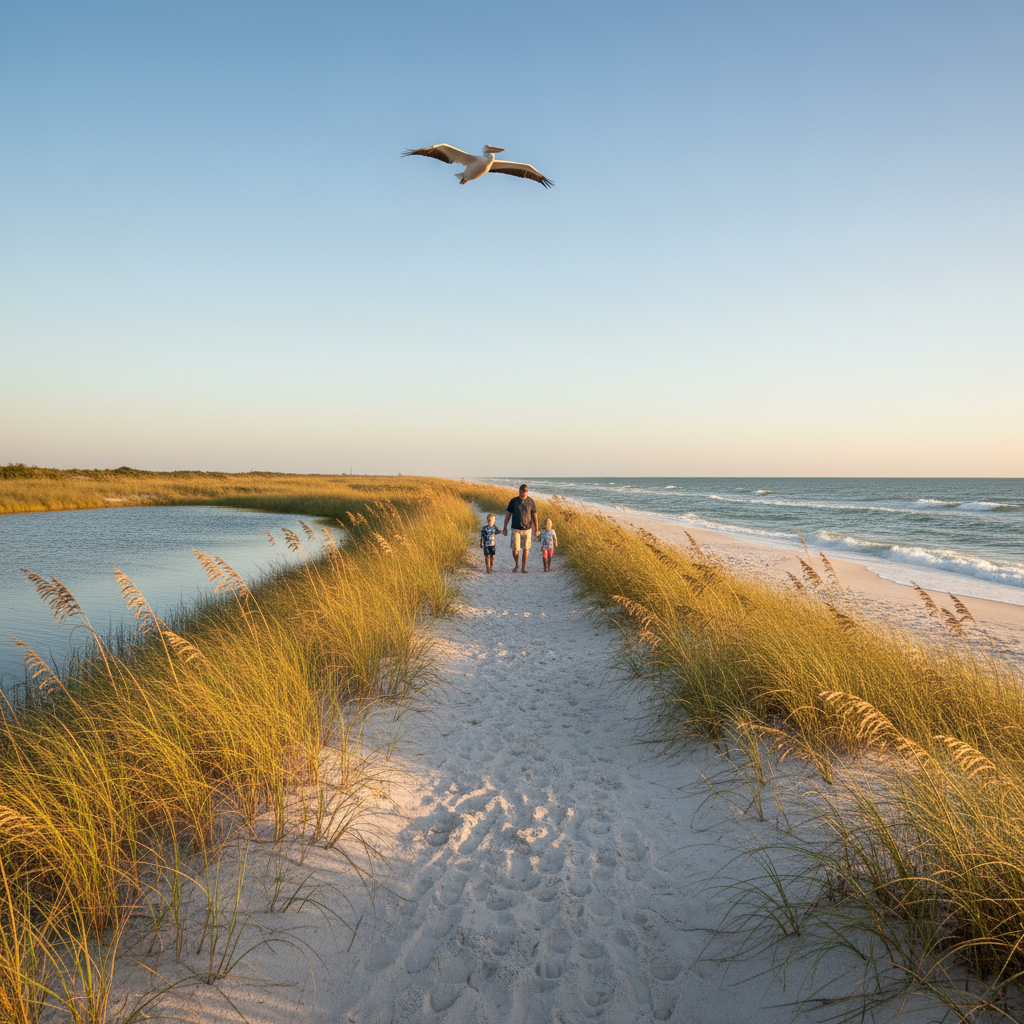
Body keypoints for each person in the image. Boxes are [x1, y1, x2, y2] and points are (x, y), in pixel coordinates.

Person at [502, 483, 539, 573]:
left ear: (527, 492)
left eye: (524, 493)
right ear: (519, 491)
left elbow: (535, 516)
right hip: (515, 529)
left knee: (526, 549)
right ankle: (516, 564)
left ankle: (523, 567)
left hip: (527, 529)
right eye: (521, 492)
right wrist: (505, 527)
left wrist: (537, 529)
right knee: (515, 550)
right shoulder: (513, 501)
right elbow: (508, 514)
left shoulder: (531, 501)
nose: (522, 494)